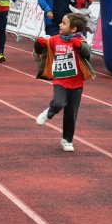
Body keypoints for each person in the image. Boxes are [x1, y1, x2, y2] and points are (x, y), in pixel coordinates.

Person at [33, 13, 95, 152]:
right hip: (60, 80)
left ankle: (67, 140)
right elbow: (39, 52)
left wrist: (79, 46)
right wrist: (39, 44)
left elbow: (87, 53)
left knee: (71, 113)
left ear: (73, 29)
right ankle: (48, 112)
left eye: (64, 23)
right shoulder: (55, 40)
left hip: (77, 83)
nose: (60, 25)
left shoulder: (80, 40)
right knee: (59, 103)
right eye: (61, 22)